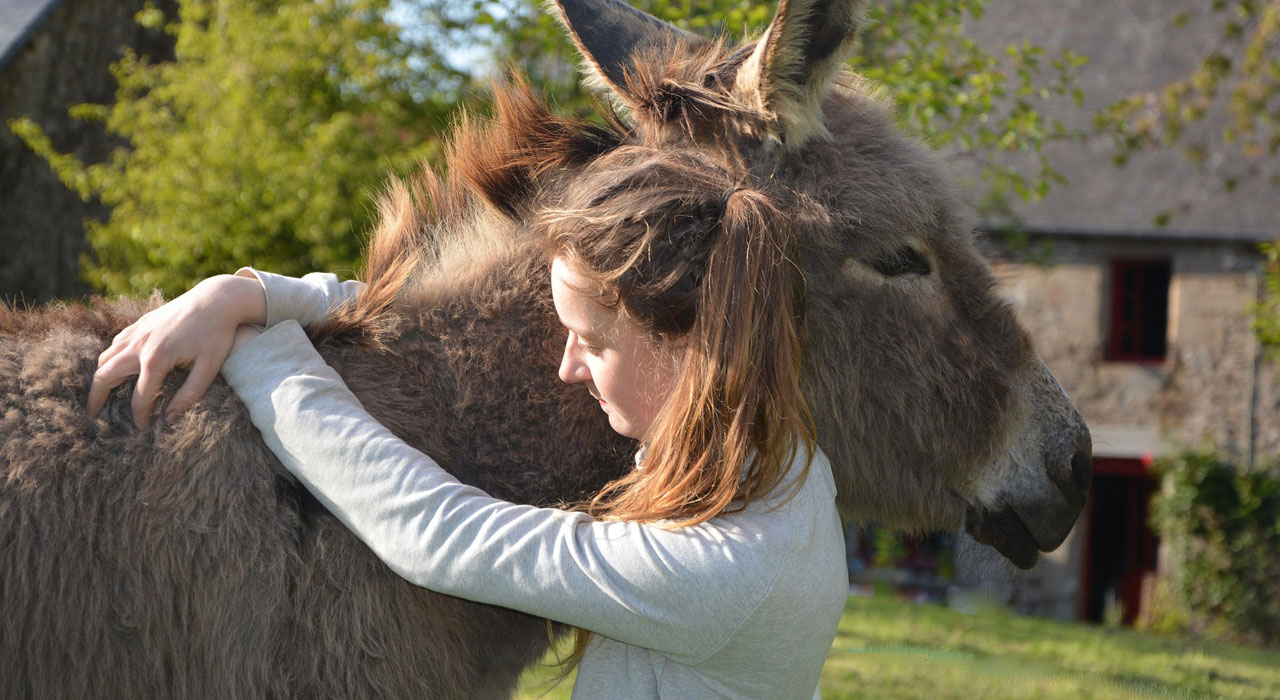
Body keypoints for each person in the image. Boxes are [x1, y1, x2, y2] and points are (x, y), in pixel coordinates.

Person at [87, 159, 849, 699]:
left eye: (594, 342)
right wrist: (251, 293)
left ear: (683, 343)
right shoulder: (782, 463)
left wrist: (260, 347)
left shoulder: (724, 570)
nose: (568, 369)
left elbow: (437, 534)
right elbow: (435, 335)